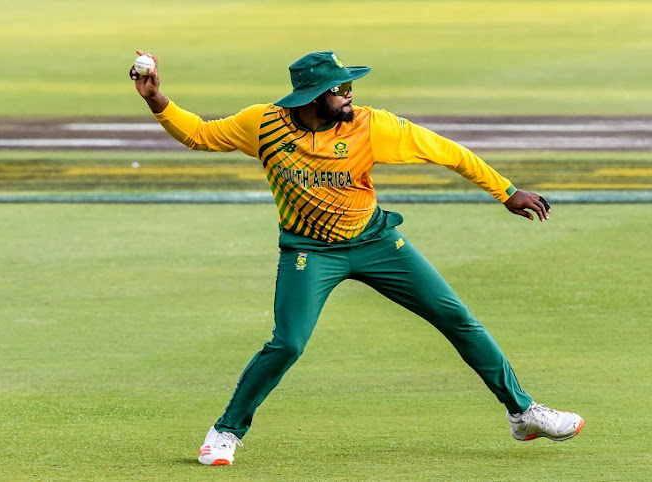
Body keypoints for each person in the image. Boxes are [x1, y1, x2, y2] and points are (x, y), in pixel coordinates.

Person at [130, 49, 584, 466]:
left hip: (375, 243)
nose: (350, 96)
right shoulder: (262, 124)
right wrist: (156, 100)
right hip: (309, 251)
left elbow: (446, 151)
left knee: (457, 318)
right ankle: (226, 430)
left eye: (350, 87)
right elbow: (201, 135)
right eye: (340, 89)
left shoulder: (371, 125)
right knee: (288, 343)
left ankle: (523, 413)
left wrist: (505, 191)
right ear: (311, 96)